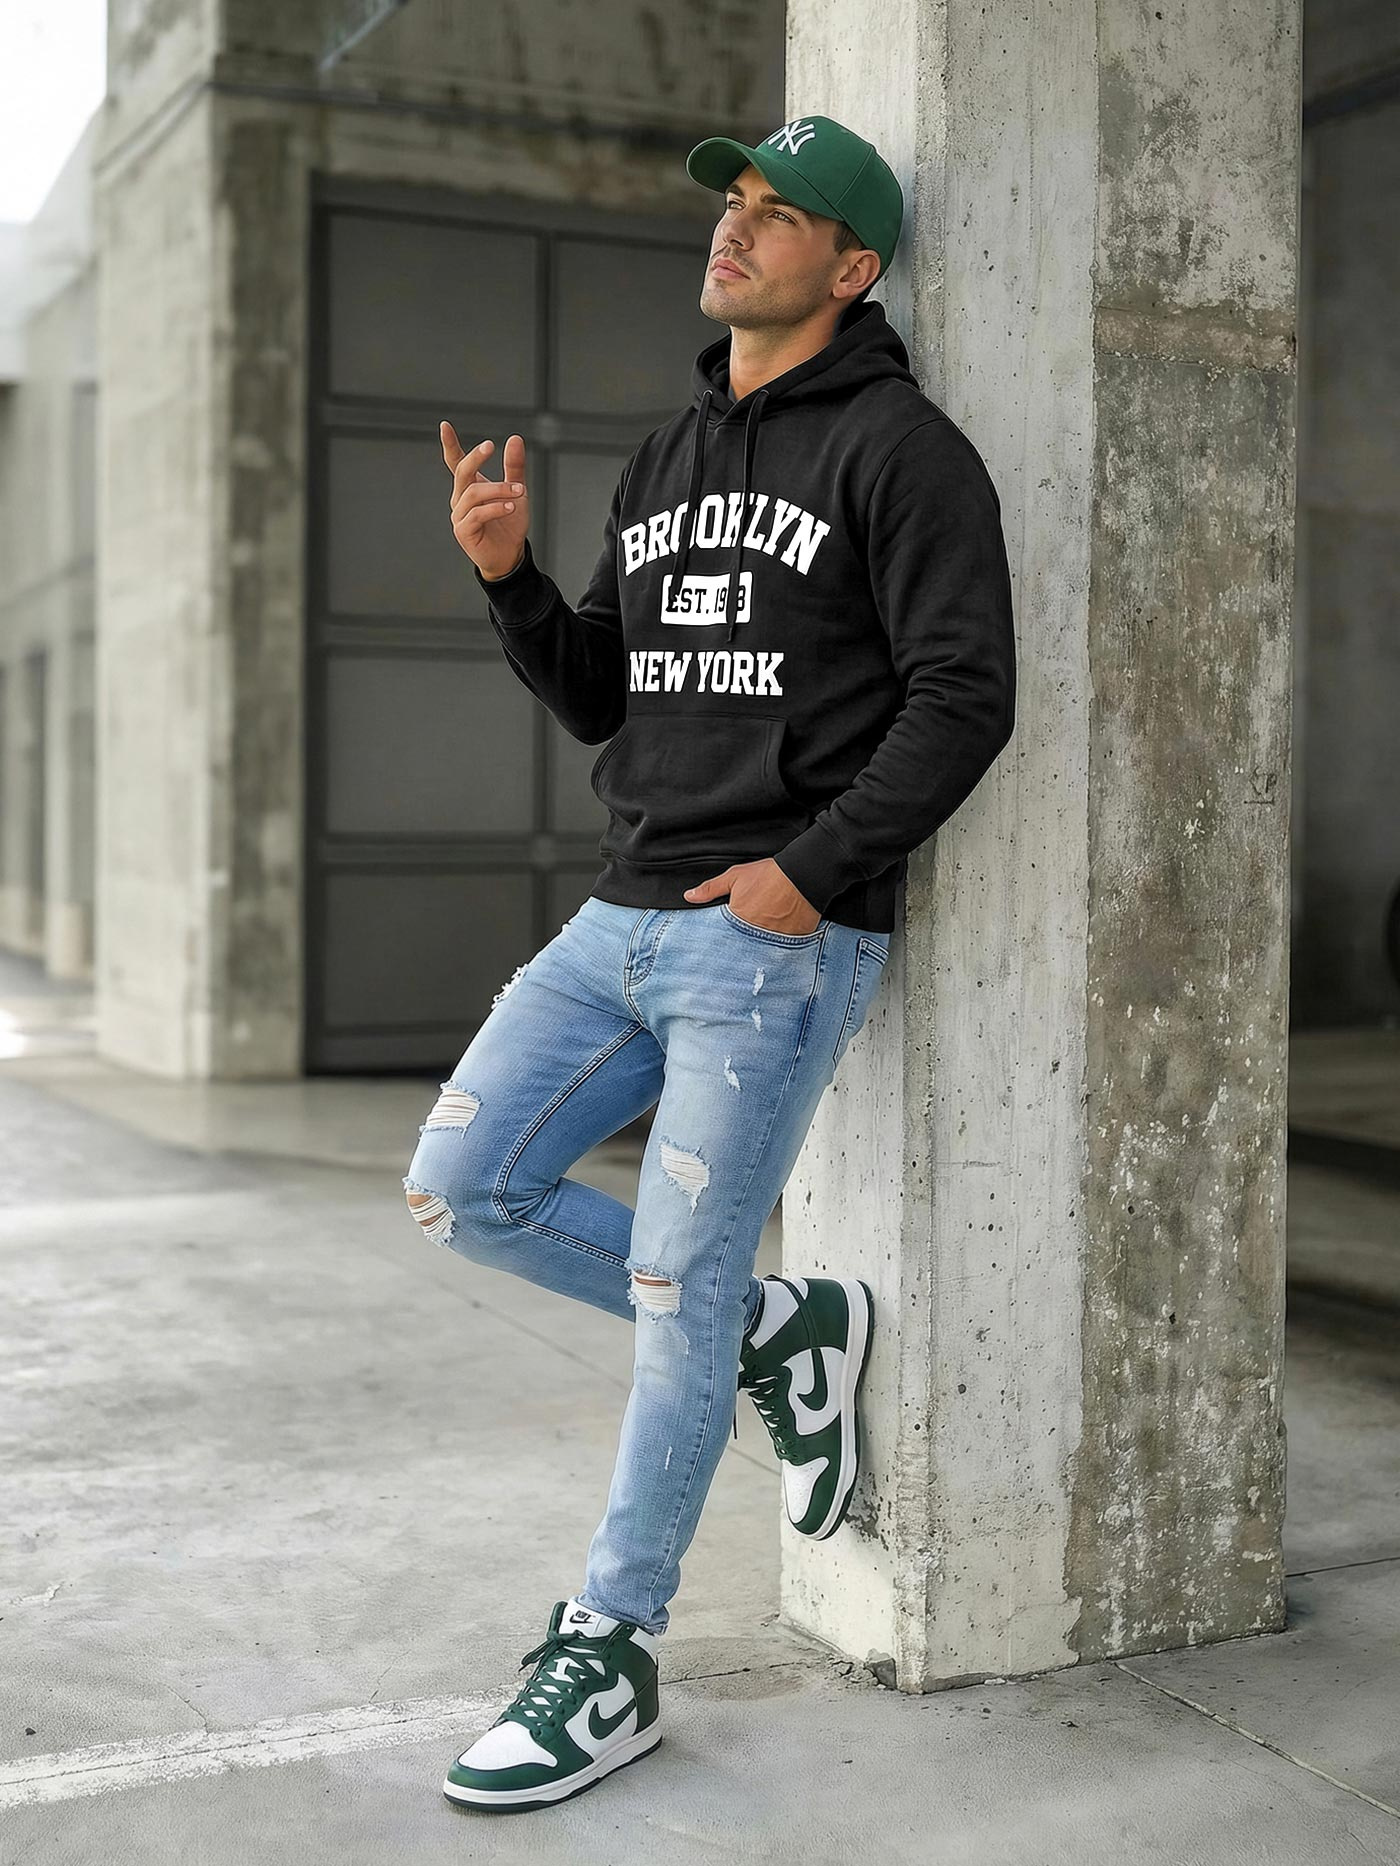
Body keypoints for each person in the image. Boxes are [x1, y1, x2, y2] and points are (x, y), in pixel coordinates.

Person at [409, 113, 1017, 1813]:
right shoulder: (667, 452)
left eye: (778, 213)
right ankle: (784, 1328)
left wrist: (811, 876)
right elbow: (605, 691)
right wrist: (513, 582)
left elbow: (967, 695)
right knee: (462, 1186)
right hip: (622, 914)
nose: (735, 230)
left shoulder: (905, 453)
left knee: (671, 1289)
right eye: (735, 203)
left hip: (770, 939)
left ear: (854, 266)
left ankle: (609, 1649)